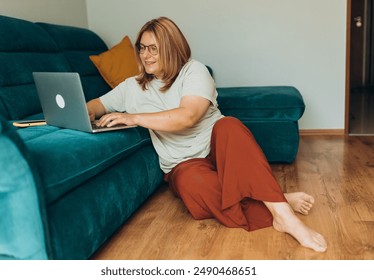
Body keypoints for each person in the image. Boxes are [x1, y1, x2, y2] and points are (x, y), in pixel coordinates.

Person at [87, 17, 327, 253]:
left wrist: (134, 117)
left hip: (217, 147)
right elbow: (96, 105)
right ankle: (277, 200)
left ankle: (285, 217)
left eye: (153, 49)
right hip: (184, 164)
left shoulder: (194, 71)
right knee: (193, 187)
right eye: (141, 48)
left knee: (230, 126)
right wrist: (86, 112)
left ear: (171, 49)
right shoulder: (132, 87)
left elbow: (187, 116)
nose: (145, 55)